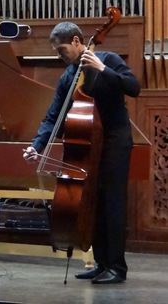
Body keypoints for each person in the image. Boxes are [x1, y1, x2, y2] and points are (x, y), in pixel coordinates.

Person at [23, 21, 140, 284]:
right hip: (88, 145)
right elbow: (54, 115)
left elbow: (134, 87)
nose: (59, 56)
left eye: (61, 50)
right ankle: (101, 263)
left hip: (114, 142)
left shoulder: (107, 59)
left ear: (77, 41)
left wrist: (103, 69)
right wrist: (37, 145)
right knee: (93, 204)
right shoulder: (69, 76)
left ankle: (117, 267)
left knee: (112, 204)